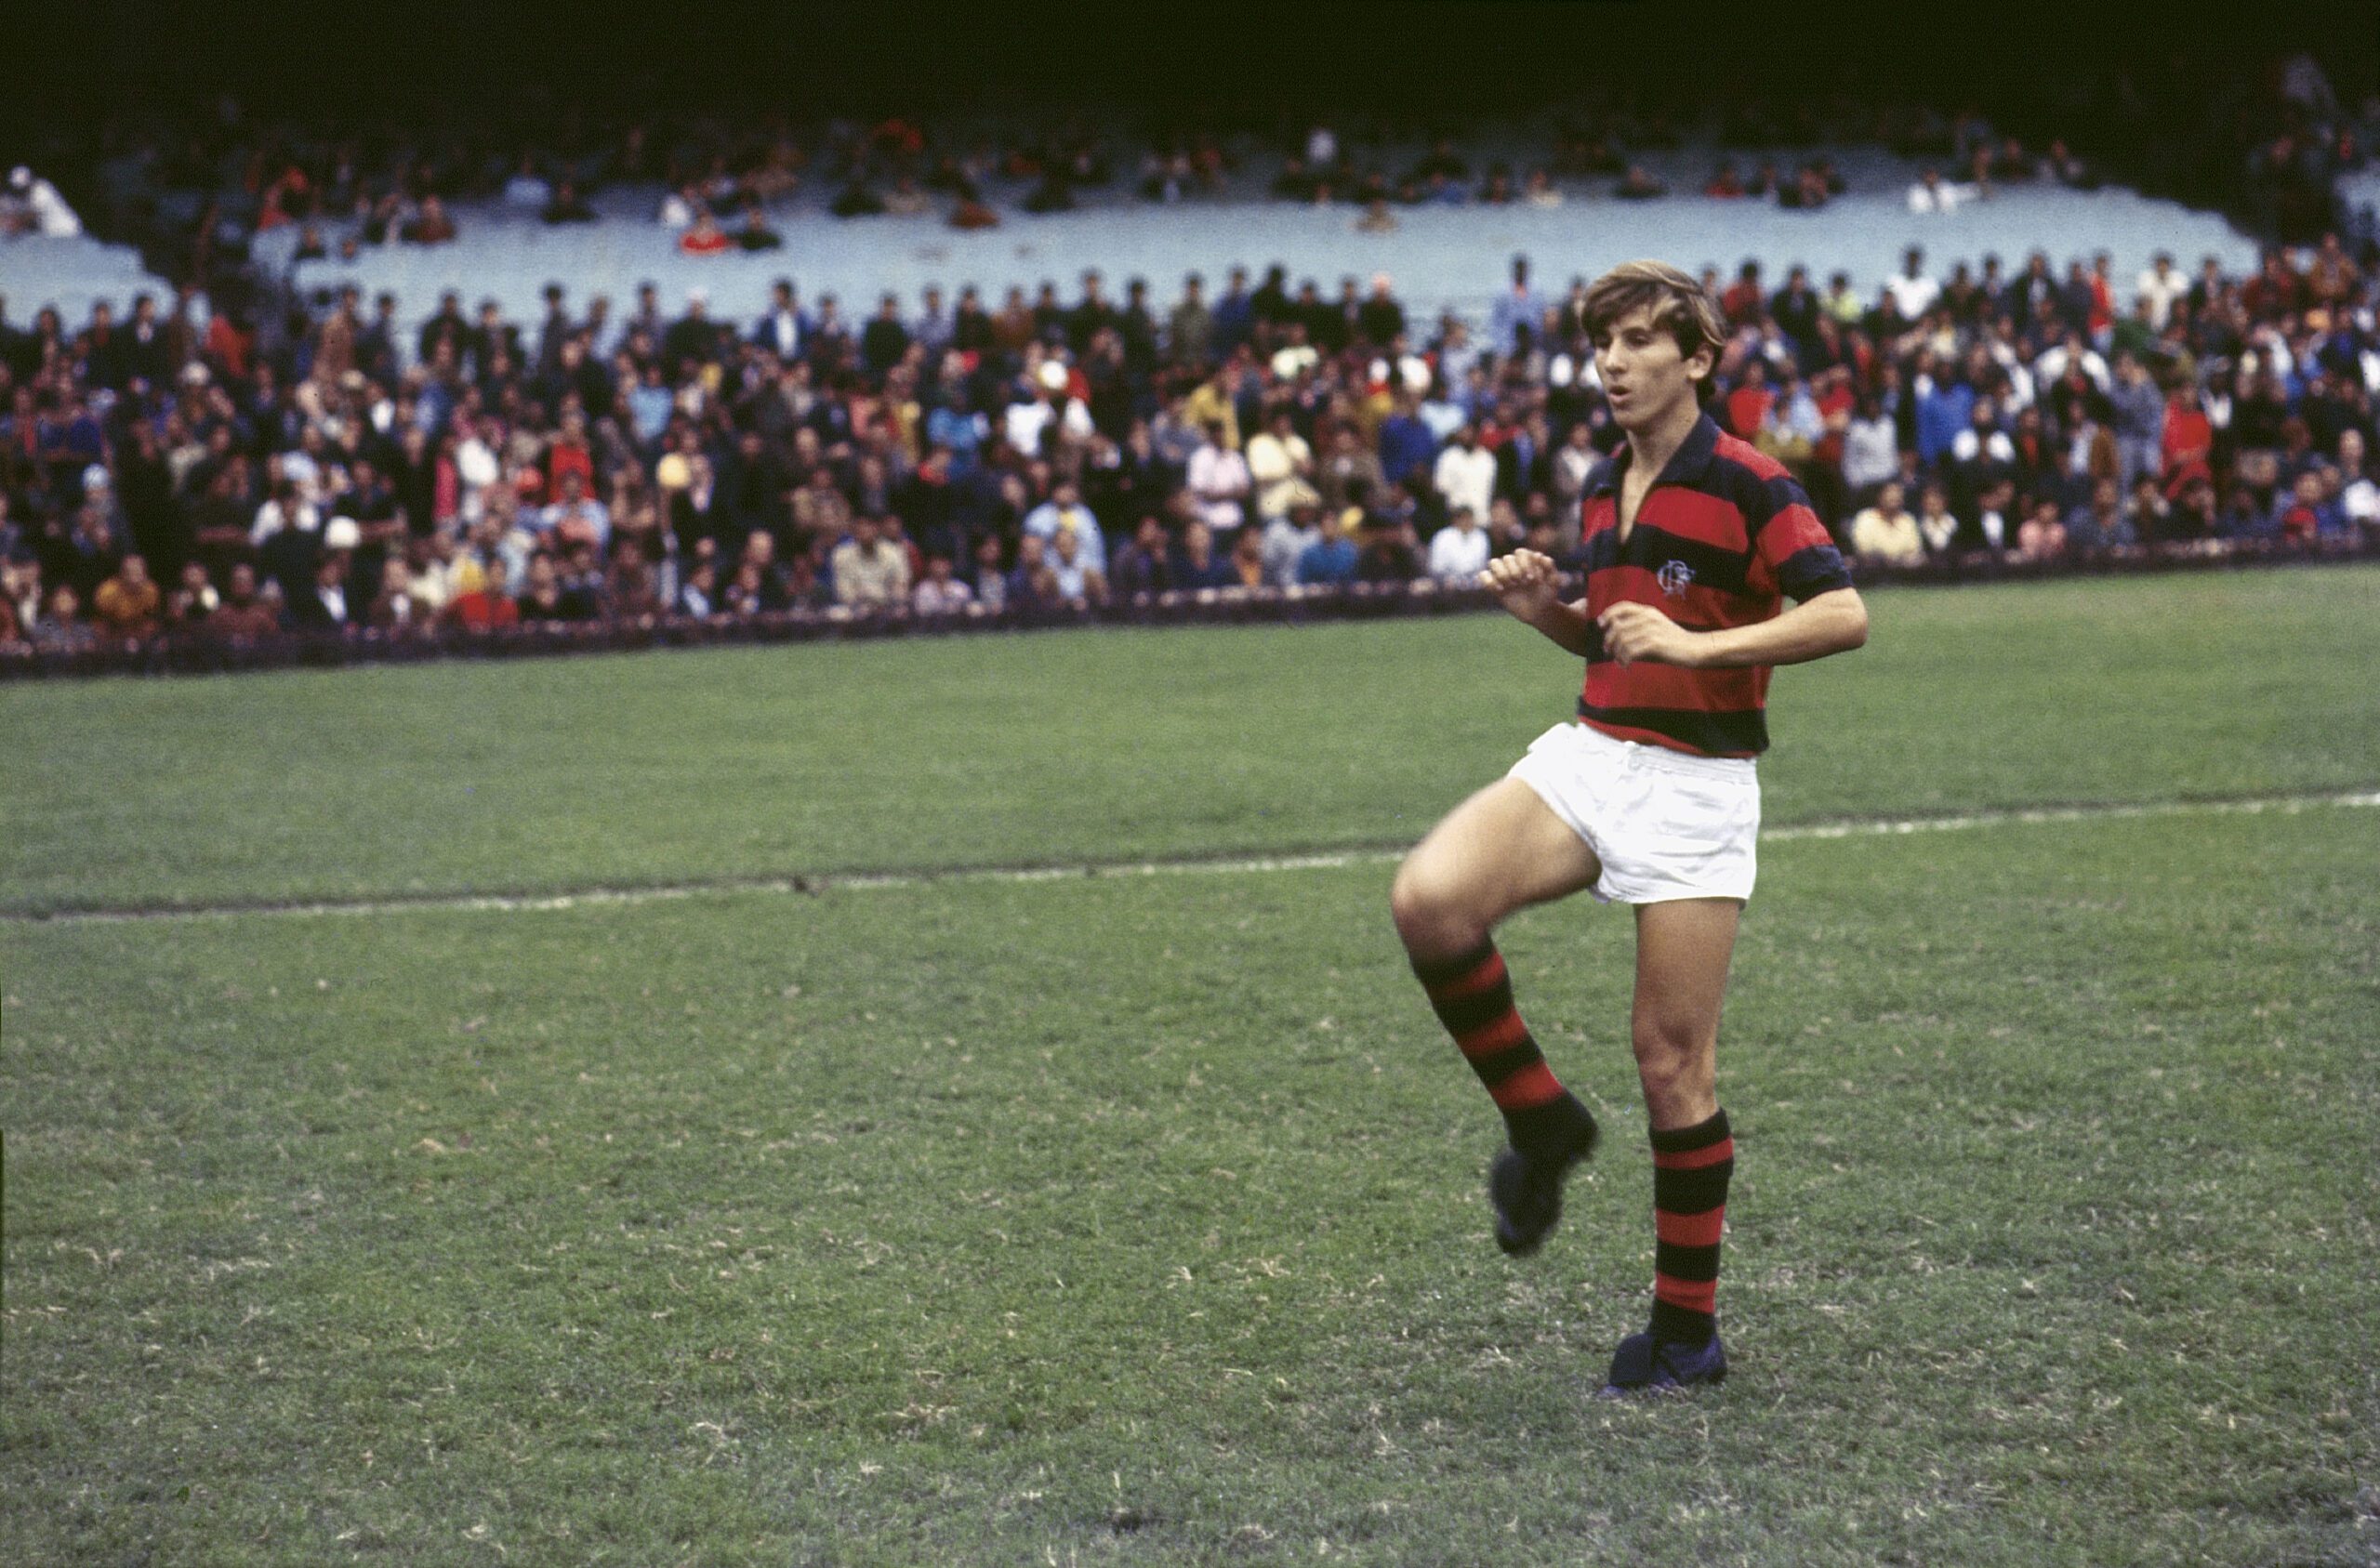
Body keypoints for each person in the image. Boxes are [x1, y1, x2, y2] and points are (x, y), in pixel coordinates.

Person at [1388, 260, 1865, 1397]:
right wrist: (1541, 612)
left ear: (1695, 358)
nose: (1613, 361)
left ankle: (1685, 1337)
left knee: (1670, 1066)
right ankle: (1541, 1123)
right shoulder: (1605, 484)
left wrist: (1700, 647)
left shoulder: (1752, 481)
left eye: (1641, 340)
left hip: (1698, 785)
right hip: (1594, 754)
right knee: (1429, 901)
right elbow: (1615, 637)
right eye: (1602, 342)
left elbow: (1843, 612)